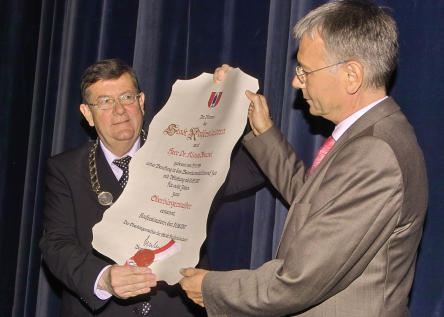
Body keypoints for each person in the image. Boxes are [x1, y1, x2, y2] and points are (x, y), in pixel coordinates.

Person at [179, 1, 428, 316]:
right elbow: (313, 202)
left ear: (352, 75)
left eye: (305, 71)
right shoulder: (372, 135)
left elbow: (300, 281)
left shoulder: (375, 152)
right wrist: (263, 131)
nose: (297, 82)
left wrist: (211, 288)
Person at [39, 58, 207, 316]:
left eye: (126, 97)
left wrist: (230, 95)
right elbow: (56, 246)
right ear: (87, 114)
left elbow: (242, 168)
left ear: (141, 102)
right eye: (105, 101)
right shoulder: (65, 170)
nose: (119, 110)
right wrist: (103, 278)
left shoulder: (181, 155)